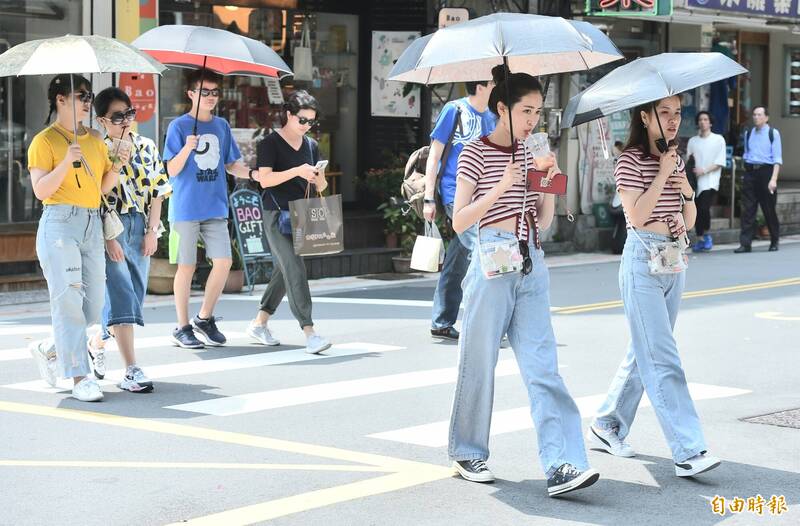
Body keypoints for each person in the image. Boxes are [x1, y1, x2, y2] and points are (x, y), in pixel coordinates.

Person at [448, 65, 599, 497]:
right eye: (526, 110)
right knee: (479, 362)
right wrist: (503, 185)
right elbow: (459, 221)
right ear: (502, 108)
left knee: (543, 366)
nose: (534, 120)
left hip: (531, 257)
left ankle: (563, 463)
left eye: (538, 111)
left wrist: (548, 181)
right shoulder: (475, 152)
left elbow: (546, 221)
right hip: (492, 256)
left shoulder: (535, 150)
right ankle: (467, 450)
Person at [588, 95, 721, 478]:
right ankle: (689, 449)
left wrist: (684, 197)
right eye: (665, 113)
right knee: (662, 357)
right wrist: (664, 173)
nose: (673, 120)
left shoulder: (677, 159)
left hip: (673, 260)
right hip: (642, 262)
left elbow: (689, 215)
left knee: (643, 351)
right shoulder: (629, 160)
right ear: (645, 116)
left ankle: (608, 423)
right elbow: (637, 214)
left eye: (678, 113)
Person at [27, 74, 125, 402]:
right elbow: (42, 191)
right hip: (59, 225)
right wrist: (67, 161)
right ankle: (79, 377)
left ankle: (50, 347)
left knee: (93, 305)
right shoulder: (45, 141)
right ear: (60, 99)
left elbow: (100, 188)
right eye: (81, 96)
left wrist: (119, 164)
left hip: (90, 223)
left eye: (88, 96)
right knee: (68, 301)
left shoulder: (95, 140)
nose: (87, 102)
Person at [85, 87, 172, 392]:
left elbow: (159, 190)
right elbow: (96, 195)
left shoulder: (146, 146)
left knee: (134, 297)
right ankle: (131, 369)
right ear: (102, 120)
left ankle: (96, 342)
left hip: (140, 223)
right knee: (122, 295)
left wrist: (152, 231)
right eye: (117, 116)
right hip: (112, 226)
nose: (125, 121)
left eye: (129, 114)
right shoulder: (98, 149)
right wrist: (109, 239)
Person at [163, 69, 256, 349]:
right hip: (186, 206)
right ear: (191, 94)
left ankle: (204, 317)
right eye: (205, 92)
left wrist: (253, 175)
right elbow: (171, 169)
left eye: (215, 92)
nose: (211, 97)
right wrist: (187, 149)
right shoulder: (179, 127)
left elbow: (230, 163)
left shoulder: (222, 126)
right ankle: (182, 327)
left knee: (224, 262)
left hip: (216, 204)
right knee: (187, 267)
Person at [247, 91, 331, 354]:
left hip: (301, 214)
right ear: (289, 115)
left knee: (285, 270)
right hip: (275, 214)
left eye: (311, 122)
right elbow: (264, 180)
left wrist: (318, 178)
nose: (306, 126)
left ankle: (260, 322)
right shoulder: (269, 143)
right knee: (294, 267)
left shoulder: (311, 145)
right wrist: (297, 171)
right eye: (302, 120)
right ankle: (310, 331)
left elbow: (322, 185)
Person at [424, 80, 496, 341]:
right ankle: (485, 324)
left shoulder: (492, 115)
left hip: (482, 197)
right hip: (456, 193)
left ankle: (442, 321)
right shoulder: (454, 110)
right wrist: (429, 198)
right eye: (494, 81)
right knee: (483, 253)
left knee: (458, 258)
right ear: (481, 84)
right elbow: (435, 155)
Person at [735, 106, 782, 253]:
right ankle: (745, 243)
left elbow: (777, 159)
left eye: (759, 115)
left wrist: (773, 179)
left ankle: (774, 240)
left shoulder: (772, 133)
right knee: (748, 210)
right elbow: (747, 154)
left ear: (766, 117)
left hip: (766, 173)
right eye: (754, 115)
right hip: (750, 173)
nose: (756, 117)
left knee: (768, 209)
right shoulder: (749, 133)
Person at [686, 111, 726, 252]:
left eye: (705, 119)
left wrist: (704, 170)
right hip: (695, 183)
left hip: (711, 181)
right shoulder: (693, 141)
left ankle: (707, 235)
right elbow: (689, 161)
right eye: (700, 119)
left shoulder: (718, 139)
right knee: (696, 210)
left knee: (704, 208)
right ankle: (700, 238)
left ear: (710, 122)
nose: (703, 122)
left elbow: (720, 162)